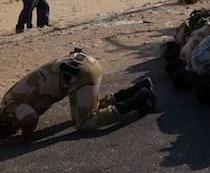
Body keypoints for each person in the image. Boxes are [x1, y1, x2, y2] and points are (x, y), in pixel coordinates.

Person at [0, 49, 158, 144]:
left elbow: (30, 118)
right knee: (88, 106)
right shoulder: (9, 99)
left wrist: (24, 137)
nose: (15, 128)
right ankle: (138, 88)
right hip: (84, 65)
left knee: (84, 123)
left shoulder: (9, 108)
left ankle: (139, 100)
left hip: (80, 74)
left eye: (11, 129)